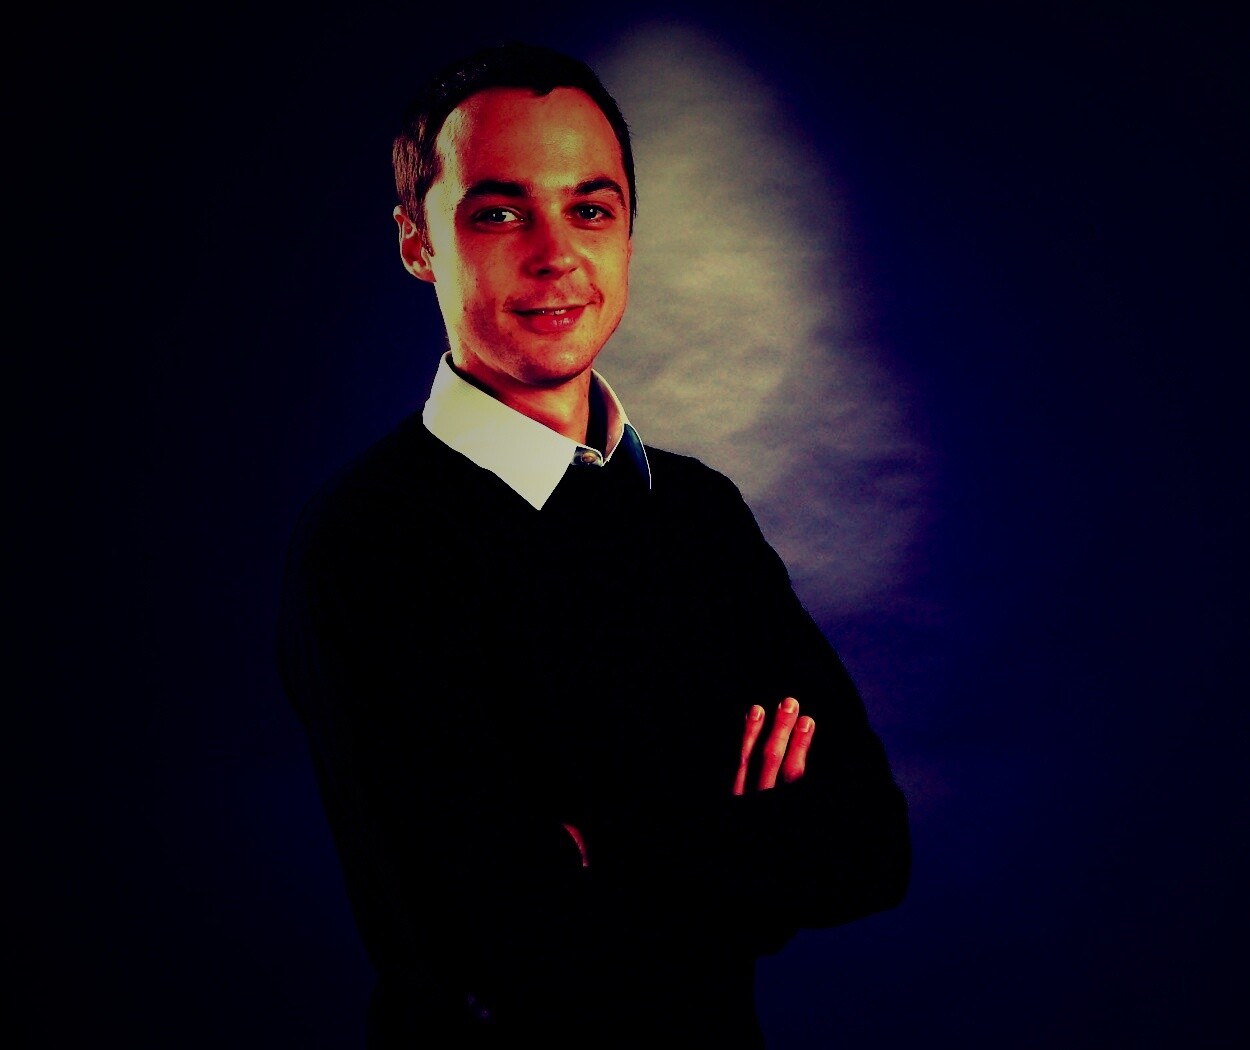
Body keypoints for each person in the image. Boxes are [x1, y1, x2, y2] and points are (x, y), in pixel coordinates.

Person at [276, 40, 912, 1047]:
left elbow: (871, 848)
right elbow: (489, 945)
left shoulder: (699, 512)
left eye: (591, 209)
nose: (555, 255)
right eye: (499, 213)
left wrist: (601, 843)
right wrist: (738, 829)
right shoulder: (366, 544)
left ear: (627, 236)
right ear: (417, 242)